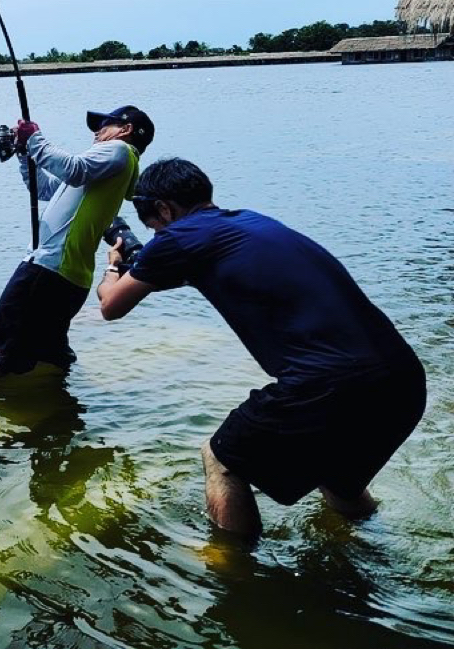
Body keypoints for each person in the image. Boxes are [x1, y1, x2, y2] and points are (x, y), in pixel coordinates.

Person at [96, 158, 426, 538]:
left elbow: (111, 306)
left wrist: (114, 266)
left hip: (329, 383)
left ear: (165, 210)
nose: (155, 236)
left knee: (221, 458)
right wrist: (150, 261)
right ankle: (380, 546)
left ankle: (232, 575)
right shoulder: (249, 222)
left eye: (153, 225)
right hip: (402, 379)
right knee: (338, 482)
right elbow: (190, 269)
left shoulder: (176, 238)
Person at [0, 104, 155, 378]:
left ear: (126, 130)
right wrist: (25, 152)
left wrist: (34, 137)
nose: (96, 133)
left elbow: (73, 169)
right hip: (69, 276)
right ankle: (63, 411)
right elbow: (48, 189)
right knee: (49, 356)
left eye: (103, 126)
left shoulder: (120, 150)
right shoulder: (110, 169)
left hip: (48, 268)